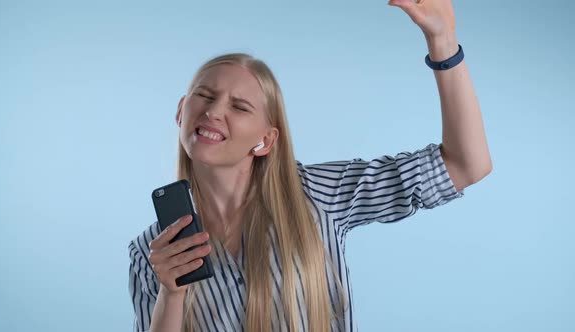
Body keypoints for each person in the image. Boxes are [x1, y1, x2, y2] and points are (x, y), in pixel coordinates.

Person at [128, 1, 492, 331]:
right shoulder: (152, 252)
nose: (214, 111)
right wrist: (171, 294)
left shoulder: (320, 194)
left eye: (239, 107)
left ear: (266, 141)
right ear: (181, 111)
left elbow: (466, 164)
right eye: (205, 96)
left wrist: (443, 43)